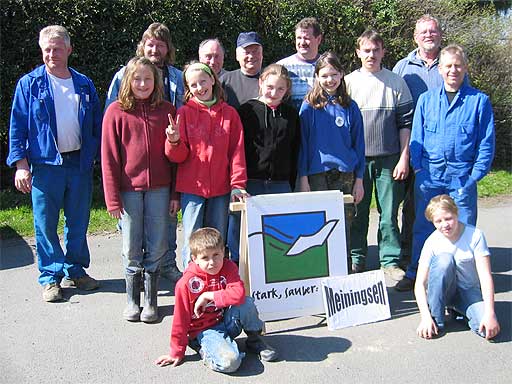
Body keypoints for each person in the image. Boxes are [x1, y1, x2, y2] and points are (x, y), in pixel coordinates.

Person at [6, 25, 102, 302]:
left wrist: (93, 154)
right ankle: (50, 278)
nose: (51, 54)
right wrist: (21, 164)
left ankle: (76, 270)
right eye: (47, 49)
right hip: (46, 164)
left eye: (57, 49)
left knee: (78, 221)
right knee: (45, 224)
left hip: (78, 164)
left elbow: (96, 123)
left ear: (69, 50)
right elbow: (17, 127)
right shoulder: (29, 84)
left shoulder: (84, 83)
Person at [396, 45, 495, 291]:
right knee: (423, 226)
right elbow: (416, 137)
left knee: (464, 230)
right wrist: (418, 169)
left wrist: (473, 177)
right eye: (448, 66)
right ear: (439, 69)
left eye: (457, 66)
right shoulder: (426, 101)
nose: (453, 70)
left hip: (462, 178)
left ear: (465, 68)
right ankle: (416, 273)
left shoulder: (479, 102)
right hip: (430, 176)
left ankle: (464, 285)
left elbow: (486, 143)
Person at [105, 22, 184, 284]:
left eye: (160, 44)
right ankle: (135, 281)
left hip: (164, 169)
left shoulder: (175, 80)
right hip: (131, 179)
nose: (155, 48)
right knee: (132, 234)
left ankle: (165, 267)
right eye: (150, 43)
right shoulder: (122, 82)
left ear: (167, 48)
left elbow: (178, 122)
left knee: (163, 229)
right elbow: (113, 138)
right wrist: (112, 195)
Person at [102, 57, 176, 322]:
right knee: (132, 244)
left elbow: (175, 157)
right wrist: (112, 198)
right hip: (128, 190)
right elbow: (109, 158)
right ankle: (132, 300)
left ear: (156, 81)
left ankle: (151, 301)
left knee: (157, 244)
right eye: (137, 79)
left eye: (148, 79)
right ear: (127, 82)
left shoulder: (167, 109)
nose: (142, 84)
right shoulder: (116, 111)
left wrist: (175, 193)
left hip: (160, 189)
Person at [155, 227, 277, 372]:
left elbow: (238, 294)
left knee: (246, 302)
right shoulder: (185, 283)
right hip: (205, 330)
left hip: (226, 320)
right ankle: (205, 349)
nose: (212, 262)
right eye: (205, 258)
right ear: (195, 259)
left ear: (223, 252)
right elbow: (180, 319)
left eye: (216, 255)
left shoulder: (229, 267)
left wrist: (208, 296)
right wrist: (176, 352)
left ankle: (254, 340)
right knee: (231, 363)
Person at [345, 29, 413, 280]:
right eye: (366, 50)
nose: (371, 54)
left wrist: (404, 157)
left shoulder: (396, 82)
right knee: (358, 212)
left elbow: (406, 124)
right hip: (358, 161)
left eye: (376, 50)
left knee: (389, 213)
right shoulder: (349, 82)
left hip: (390, 159)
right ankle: (356, 258)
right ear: (358, 52)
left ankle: (390, 260)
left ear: (383, 52)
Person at [165, 62, 247, 268]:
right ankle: (191, 284)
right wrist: (173, 140)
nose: (200, 87)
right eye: (193, 85)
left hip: (220, 189)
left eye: (203, 81)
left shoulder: (229, 114)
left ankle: (215, 284)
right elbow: (178, 157)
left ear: (213, 79)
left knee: (217, 239)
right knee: (193, 239)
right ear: (188, 89)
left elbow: (237, 152)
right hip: (192, 189)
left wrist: (237, 184)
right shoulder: (183, 113)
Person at [228, 64, 301, 263]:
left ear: (287, 90)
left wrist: (294, 183)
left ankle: (276, 274)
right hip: (251, 182)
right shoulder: (246, 111)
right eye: (270, 87)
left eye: (280, 89)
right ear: (260, 84)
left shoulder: (291, 114)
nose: (274, 93)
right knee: (242, 233)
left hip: (281, 183)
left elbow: (295, 150)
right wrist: (237, 185)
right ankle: (238, 270)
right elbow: (236, 149)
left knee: (279, 235)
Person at [297, 51, 365, 263]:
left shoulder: (350, 106)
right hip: (317, 174)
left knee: (343, 225)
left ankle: (342, 271)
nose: (330, 80)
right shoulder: (309, 106)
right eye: (325, 75)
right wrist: (303, 178)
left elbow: (359, 144)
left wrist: (359, 180)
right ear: (316, 76)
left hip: (345, 174)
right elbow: (303, 144)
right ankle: (319, 270)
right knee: (318, 226)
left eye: (334, 74)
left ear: (342, 75)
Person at [393, 14, 444, 267]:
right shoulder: (402, 67)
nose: (428, 35)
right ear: (415, 36)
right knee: (410, 206)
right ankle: (407, 258)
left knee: (438, 206)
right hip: (410, 146)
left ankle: (438, 257)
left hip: (440, 150)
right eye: (423, 32)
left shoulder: (449, 64)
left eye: (433, 31)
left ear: (440, 35)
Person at [414, 194, 500, 340]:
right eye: (438, 221)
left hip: (468, 290)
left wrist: (490, 312)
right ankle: (437, 318)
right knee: (444, 259)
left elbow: (485, 276)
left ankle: (460, 310)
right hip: (442, 292)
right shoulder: (432, 242)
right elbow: (420, 284)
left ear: (456, 213)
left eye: (448, 218)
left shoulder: (475, 236)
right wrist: (425, 317)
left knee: (487, 331)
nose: (444, 225)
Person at [277, 17, 323, 111]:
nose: (302, 42)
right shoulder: (282, 67)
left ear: (318, 39)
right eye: (299, 38)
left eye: (306, 38)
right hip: (292, 124)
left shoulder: (327, 66)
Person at [220, 31, 263, 109]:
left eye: (255, 51)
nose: (251, 56)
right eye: (246, 52)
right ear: (237, 55)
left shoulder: (271, 80)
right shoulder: (225, 81)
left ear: (262, 54)